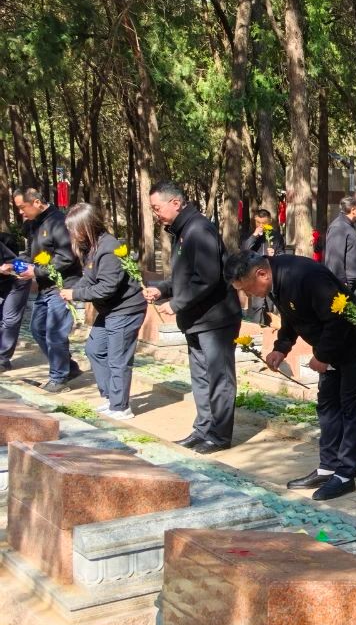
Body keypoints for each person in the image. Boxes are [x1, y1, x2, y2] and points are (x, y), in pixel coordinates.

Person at [226, 250, 356, 501]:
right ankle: (328, 468)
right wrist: (281, 347)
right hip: (330, 347)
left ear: (261, 274)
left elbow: (338, 319)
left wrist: (323, 356)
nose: (248, 295)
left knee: (351, 410)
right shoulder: (275, 279)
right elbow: (291, 316)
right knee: (327, 407)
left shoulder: (305, 276)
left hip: (354, 343)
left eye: (247, 289)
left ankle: (345, 475)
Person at [143, 182, 240, 453]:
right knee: (201, 379)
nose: (155, 214)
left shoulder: (199, 229)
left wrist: (176, 304)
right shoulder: (183, 231)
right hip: (197, 320)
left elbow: (207, 277)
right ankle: (203, 429)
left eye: (157, 208)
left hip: (216, 319)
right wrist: (162, 289)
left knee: (219, 379)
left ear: (175, 203)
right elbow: (183, 276)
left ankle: (219, 436)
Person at [61, 203, 146, 419]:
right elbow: (89, 279)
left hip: (125, 309)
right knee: (95, 349)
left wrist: (75, 294)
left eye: (74, 228)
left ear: (87, 226)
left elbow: (107, 288)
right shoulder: (91, 248)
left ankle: (121, 407)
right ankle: (111, 397)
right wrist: (73, 290)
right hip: (110, 310)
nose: (72, 233)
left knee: (118, 358)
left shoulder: (108, 248)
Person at [1, 188, 83, 391]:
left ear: (37, 202)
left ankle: (58, 379)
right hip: (45, 286)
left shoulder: (59, 222)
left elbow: (66, 257)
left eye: (22, 207)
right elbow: (31, 254)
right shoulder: (34, 224)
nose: (20, 212)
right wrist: (16, 265)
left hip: (62, 285)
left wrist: (36, 271)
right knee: (38, 329)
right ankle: (69, 367)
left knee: (55, 332)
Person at [241, 208, 285, 325]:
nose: (261, 226)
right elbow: (244, 250)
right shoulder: (249, 235)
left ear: (270, 221)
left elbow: (282, 255)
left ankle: (269, 329)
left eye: (264, 223)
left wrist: (275, 255)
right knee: (257, 307)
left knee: (270, 306)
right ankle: (257, 329)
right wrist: (254, 236)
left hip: (271, 276)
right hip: (255, 276)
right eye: (258, 222)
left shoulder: (276, 236)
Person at [324, 196, 356, 300]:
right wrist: (341, 282)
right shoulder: (338, 227)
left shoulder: (348, 226)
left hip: (355, 282)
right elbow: (335, 258)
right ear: (353, 210)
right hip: (345, 284)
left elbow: (351, 253)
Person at [0, 230, 29, 373]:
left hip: (16, 280)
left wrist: (12, 267)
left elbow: (20, 264)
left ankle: (2, 359)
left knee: (9, 320)